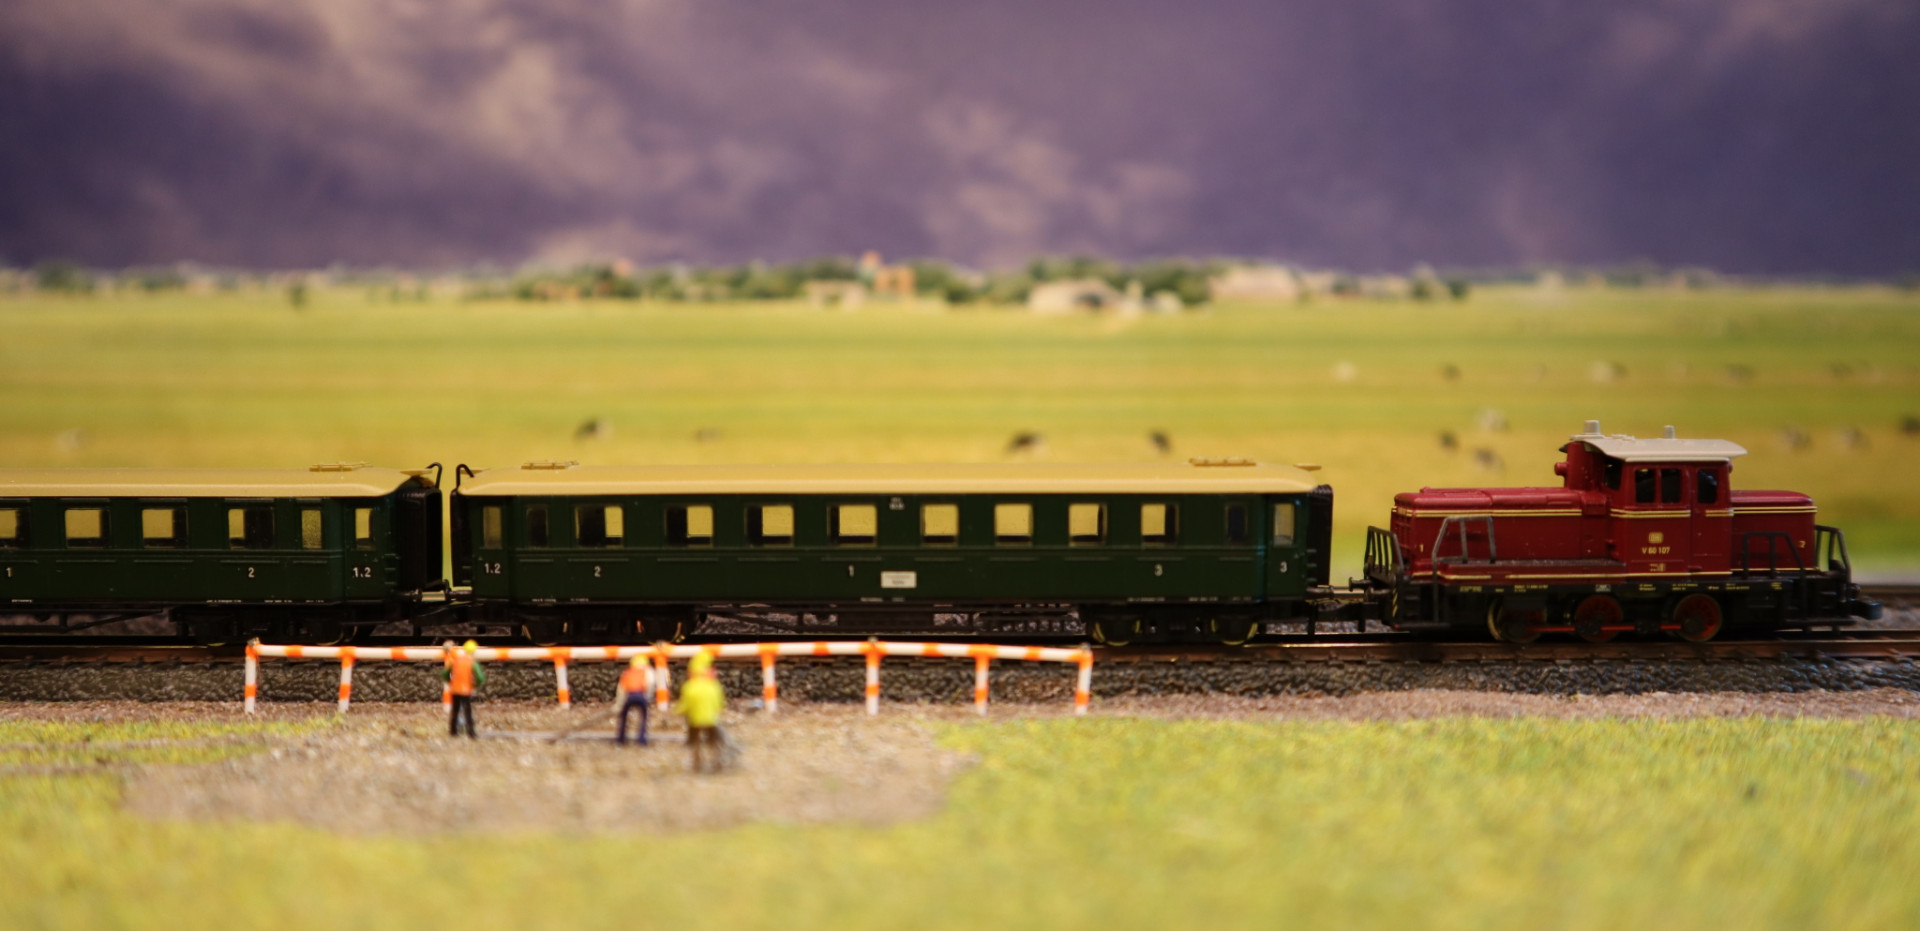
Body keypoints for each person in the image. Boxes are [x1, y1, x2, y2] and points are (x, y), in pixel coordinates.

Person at [676, 650, 726, 773]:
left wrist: (679, 711)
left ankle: (697, 761)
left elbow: (685, 705)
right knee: (714, 740)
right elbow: (719, 703)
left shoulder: (689, 686)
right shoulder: (713, 686)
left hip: (695, 719)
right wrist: (716, 711)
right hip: (710, 718)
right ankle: (717, 761)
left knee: (695, 741)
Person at [441, 639, 485, 739]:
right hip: (466, 690)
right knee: (467, 712)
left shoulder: (456, 660)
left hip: (455, 690)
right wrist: (475, 685)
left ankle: (453, 731)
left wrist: (450, 681)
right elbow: (480, 677)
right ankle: (471, 733)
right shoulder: (472, 662)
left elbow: (445, 674)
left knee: (455, 710)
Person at [614, 655, 653, 747]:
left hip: (629, 696)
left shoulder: (627, 672)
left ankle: (621, 740)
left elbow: (621, 688)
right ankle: (642, 740)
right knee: (644, 716)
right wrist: (648, 697)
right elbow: (650, 683)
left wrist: (619, 703)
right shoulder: (647, 671)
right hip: (641, 694)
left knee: (623, 716)